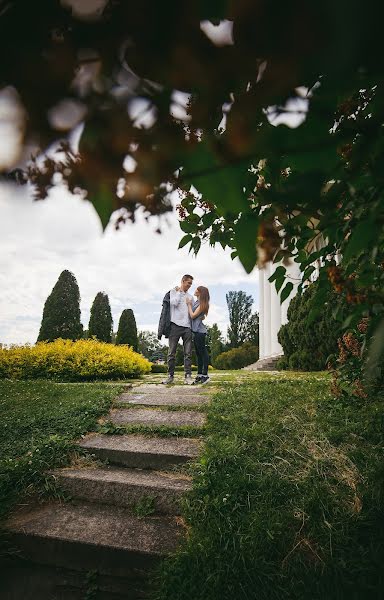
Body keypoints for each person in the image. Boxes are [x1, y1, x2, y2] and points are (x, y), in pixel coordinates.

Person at [161, 274, 194, 385]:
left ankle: (188, 377)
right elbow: (173, 303)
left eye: (191, 284)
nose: (190, 285)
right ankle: (170, 376)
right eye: (188, 283)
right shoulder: (173, 292)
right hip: (174, 326)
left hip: (187, 327)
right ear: (183, 281)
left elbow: (191, 312)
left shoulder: (190, 297)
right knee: (171, 353)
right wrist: (180, 292)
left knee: (188, 353)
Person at [187, 285, 210, 384]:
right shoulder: (197, 302)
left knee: (203, 353)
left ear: (200, 292)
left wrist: (188, 305)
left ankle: (205, 375)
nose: (195, 290)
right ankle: (200, 374)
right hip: (196, 331)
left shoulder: (202, 304)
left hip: (200, 332)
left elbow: (192, 316)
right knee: (198, 354)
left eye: (197, 289)